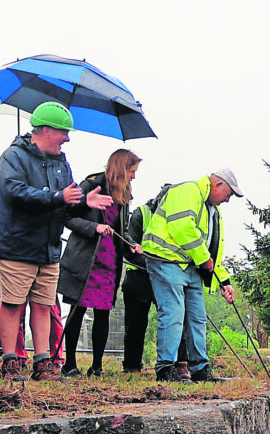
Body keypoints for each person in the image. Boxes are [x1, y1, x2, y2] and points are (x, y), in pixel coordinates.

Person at [0, 101, 110, 382]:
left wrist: (84, 203)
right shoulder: (12, 157)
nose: (67, 138)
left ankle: (42, 363)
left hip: (49, 249)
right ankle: (10, 362)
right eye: (63, 132)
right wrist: (58, 198)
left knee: (44, 305)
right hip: (16, 247)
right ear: (45, 130)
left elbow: (67, 206)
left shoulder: (61, 163)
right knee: (13, 304)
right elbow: (14, 192)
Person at [141, 168, 241, 383]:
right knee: (173, 313)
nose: (227, 200)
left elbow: (212, 249)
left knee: (197, 317)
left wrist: (224, 280)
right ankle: (166, 368)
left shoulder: (212, 209)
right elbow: (183, 228)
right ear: (218, 184)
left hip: (190, 264)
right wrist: (203, 259)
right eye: (228, 194)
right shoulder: (188, 190)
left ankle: (200, 369)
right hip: (166, 258)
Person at [58, 149, 142, 378]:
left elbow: (122, 230)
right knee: (78, 310)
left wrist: (132, 244)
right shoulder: (90, 185)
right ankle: (70, 364)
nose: (134, 176)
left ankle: (96, 366)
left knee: (103, 312)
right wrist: (93, 228)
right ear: (122, 169)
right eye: (132, 171)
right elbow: (67, 217)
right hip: (86, 259)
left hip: (109, 261)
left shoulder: (125, 193)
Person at [120, 183, 190, 377]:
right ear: (160, 200)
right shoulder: (141, 214)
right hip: (139, 276)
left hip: (168, 277)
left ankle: (181, 363)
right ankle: (132, 366)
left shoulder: (179, 218)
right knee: (135, 325)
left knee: (176, 319)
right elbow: (128, 249)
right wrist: (155, 263)